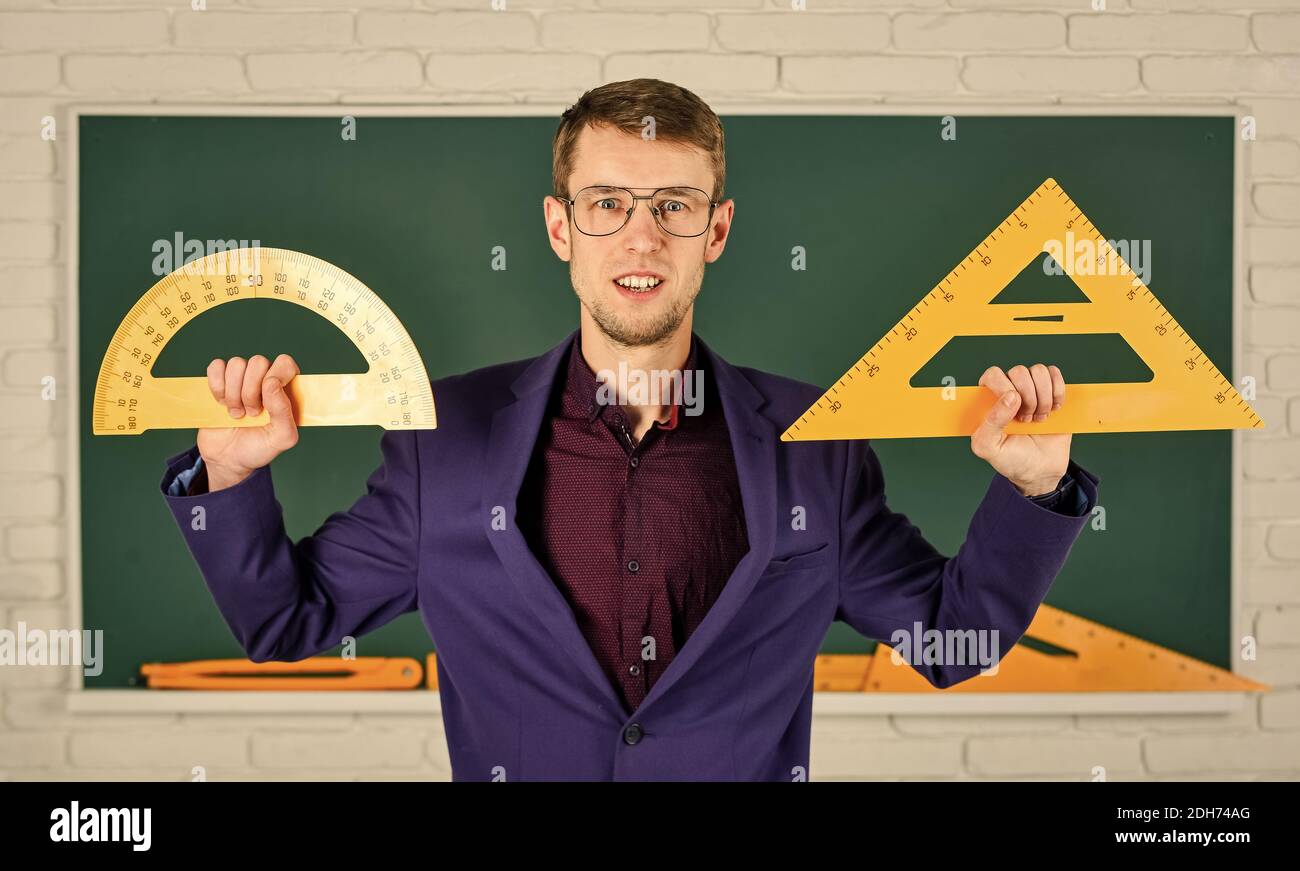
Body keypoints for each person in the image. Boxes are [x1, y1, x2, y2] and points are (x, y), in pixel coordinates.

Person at [160, 78, 1099, 781]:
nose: (640, 239)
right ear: (561, 228)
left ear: (717, 230)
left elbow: (951, 641)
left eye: (673, 208)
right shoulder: (443, 440)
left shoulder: (816, 443)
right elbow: (283, 623)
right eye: (607, 204)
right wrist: (230, 480)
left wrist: (1034, 490)